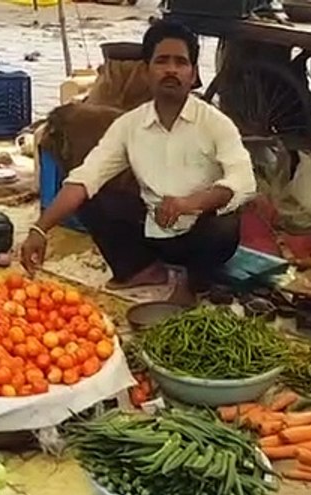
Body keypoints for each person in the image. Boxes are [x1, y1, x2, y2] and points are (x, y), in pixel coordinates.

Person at [20, 20, 257, 302]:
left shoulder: (216, 124)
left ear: (193, 74)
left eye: (180, 62)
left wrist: (191, 203)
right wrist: (40, 228)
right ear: (146, 72)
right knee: (89, 194)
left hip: (201, 236)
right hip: (152, 228)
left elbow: (244, 181)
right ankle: (142, 270)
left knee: (225, 223)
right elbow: (86, 177)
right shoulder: (129, 126)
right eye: (161, 61)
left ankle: (194, 283)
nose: (171, 69)